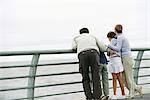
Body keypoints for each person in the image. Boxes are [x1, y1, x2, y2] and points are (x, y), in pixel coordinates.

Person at [108, 24, 143, 98]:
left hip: (126, 58)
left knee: (128, 77)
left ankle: (132, 93)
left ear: (115, 30)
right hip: (124, 58)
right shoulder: (120, 37)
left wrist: (109, 46)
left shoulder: (120, 37)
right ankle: (137, 88)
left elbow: (118, 48)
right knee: (124, 77)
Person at [72, 28, 107, 100]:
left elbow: (73, 47)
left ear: (80, 33)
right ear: (88, 32)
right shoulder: (92, 36)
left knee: (85, 76)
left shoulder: (76, 38)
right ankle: (98, 96)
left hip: (82, 54)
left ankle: (89, 96)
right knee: (96, 76)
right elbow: (103, 47)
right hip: (94, 53)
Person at [107, 31, 125, 99]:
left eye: (108, 38)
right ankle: (123, 94)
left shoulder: (112, 42)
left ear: (109, 37)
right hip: (117, 60)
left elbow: (109, 52)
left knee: (114, 78)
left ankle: (115, 95)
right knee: (119, 78)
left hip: (114, 60)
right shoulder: (118, 41)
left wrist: (109, 50)